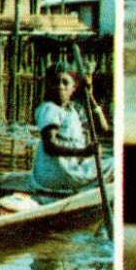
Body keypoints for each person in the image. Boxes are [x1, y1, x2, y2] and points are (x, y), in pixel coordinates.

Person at [29, 63, 108, 193]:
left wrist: (90, 95)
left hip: (68, 171)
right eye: (56, 82)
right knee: (117, 165)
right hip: (59, 174)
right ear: (49, 85)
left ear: (74, 88)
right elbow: (50, 147)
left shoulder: (73, 110)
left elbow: (103, 128)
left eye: (65, 83)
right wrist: (83, 152)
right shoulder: (49, 108)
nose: (60, 86)